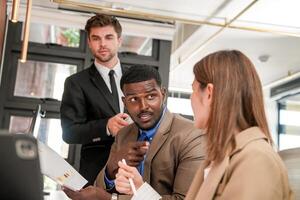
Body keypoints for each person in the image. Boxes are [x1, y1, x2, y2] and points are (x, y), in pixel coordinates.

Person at [115, 50, 294, 200]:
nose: (191, 99)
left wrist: (140, 191)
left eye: (193, 90)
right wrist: (138, 190)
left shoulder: (256, 159)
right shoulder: (221, 156)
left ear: (209, 93)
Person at [62, 65, 206, 200]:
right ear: (124, 103)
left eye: (151, 97)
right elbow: (99, 189)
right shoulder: (123, 134)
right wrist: (111, 167)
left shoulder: (192, 135)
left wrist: (112, 199)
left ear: (163, 94)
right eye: (133, 99)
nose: (143, 107)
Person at [60, 14, 129, 186]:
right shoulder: (76, 83)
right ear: (89, 43)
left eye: (109, 37)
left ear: (119, 40)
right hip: (96, 172)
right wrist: (105, 126)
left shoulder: (136, 77)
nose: (103, 44)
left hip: (137, 168)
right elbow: (69, 132)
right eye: (96, 38)